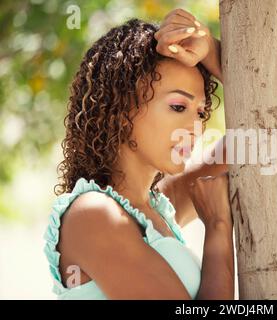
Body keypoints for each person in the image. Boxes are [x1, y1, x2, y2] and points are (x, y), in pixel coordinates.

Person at [43, 8, 234, 299]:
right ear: (122, 112)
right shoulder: (94, 215)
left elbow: (263, 130)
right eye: (178, 107)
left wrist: (209, 48)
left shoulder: (160, 207)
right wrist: (218, 228)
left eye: (201, 112)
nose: (195, 127)